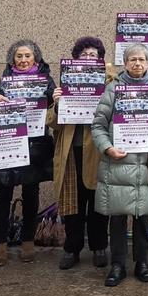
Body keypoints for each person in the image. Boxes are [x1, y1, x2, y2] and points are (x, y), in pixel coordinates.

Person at [92, 43, 148, 287]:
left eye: (141, 59)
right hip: (117, 162)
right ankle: (117, 264)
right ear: (125, 64)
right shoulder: (113, 89)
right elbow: (97, 125)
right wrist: (107, 148)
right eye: (132, 60)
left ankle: (142, 262)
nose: (137, 63)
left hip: (146, 163)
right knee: (117, 218)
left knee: (142, 217)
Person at [0, 39, 56, 266]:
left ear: (36, 58)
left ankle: (27, 242)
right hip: (8, 144)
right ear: (12, 59)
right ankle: (0, 245)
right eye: (19, 56)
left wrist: (58, 97)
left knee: (31, 193)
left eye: (27, 56)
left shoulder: (46, 80)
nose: (23, 60)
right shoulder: (5, 80)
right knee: (2, 195)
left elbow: (56, 100)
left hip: (35, 144)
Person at [49, 37, 112, 270]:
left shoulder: (110, 83)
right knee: (72, 204)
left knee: (98, 202)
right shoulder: (64, 84)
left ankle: (99, 247)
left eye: (93, 55)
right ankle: (71, 248)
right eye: (83, 55)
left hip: (97, 151)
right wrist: (57, 104)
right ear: (75, 59)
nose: (88, 58)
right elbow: (52, 123)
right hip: (70, 152)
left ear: (101, 60)